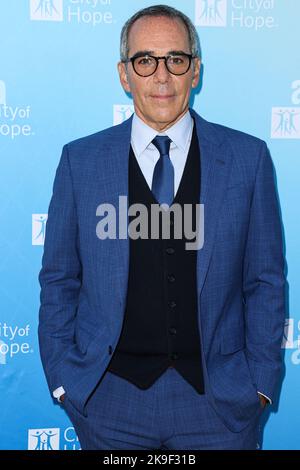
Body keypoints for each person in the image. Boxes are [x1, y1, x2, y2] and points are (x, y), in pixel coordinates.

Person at [38, 4, 286, 450]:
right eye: (145, 60)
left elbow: (265, 281)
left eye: (176, 59)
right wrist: (63, 379)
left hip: (219, 405)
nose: (161, 76)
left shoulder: (249, 159)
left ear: (195, 71)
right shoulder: (81, 161)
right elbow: (59, 278)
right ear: (124, 74)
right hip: (109, 401)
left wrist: (260, 383)